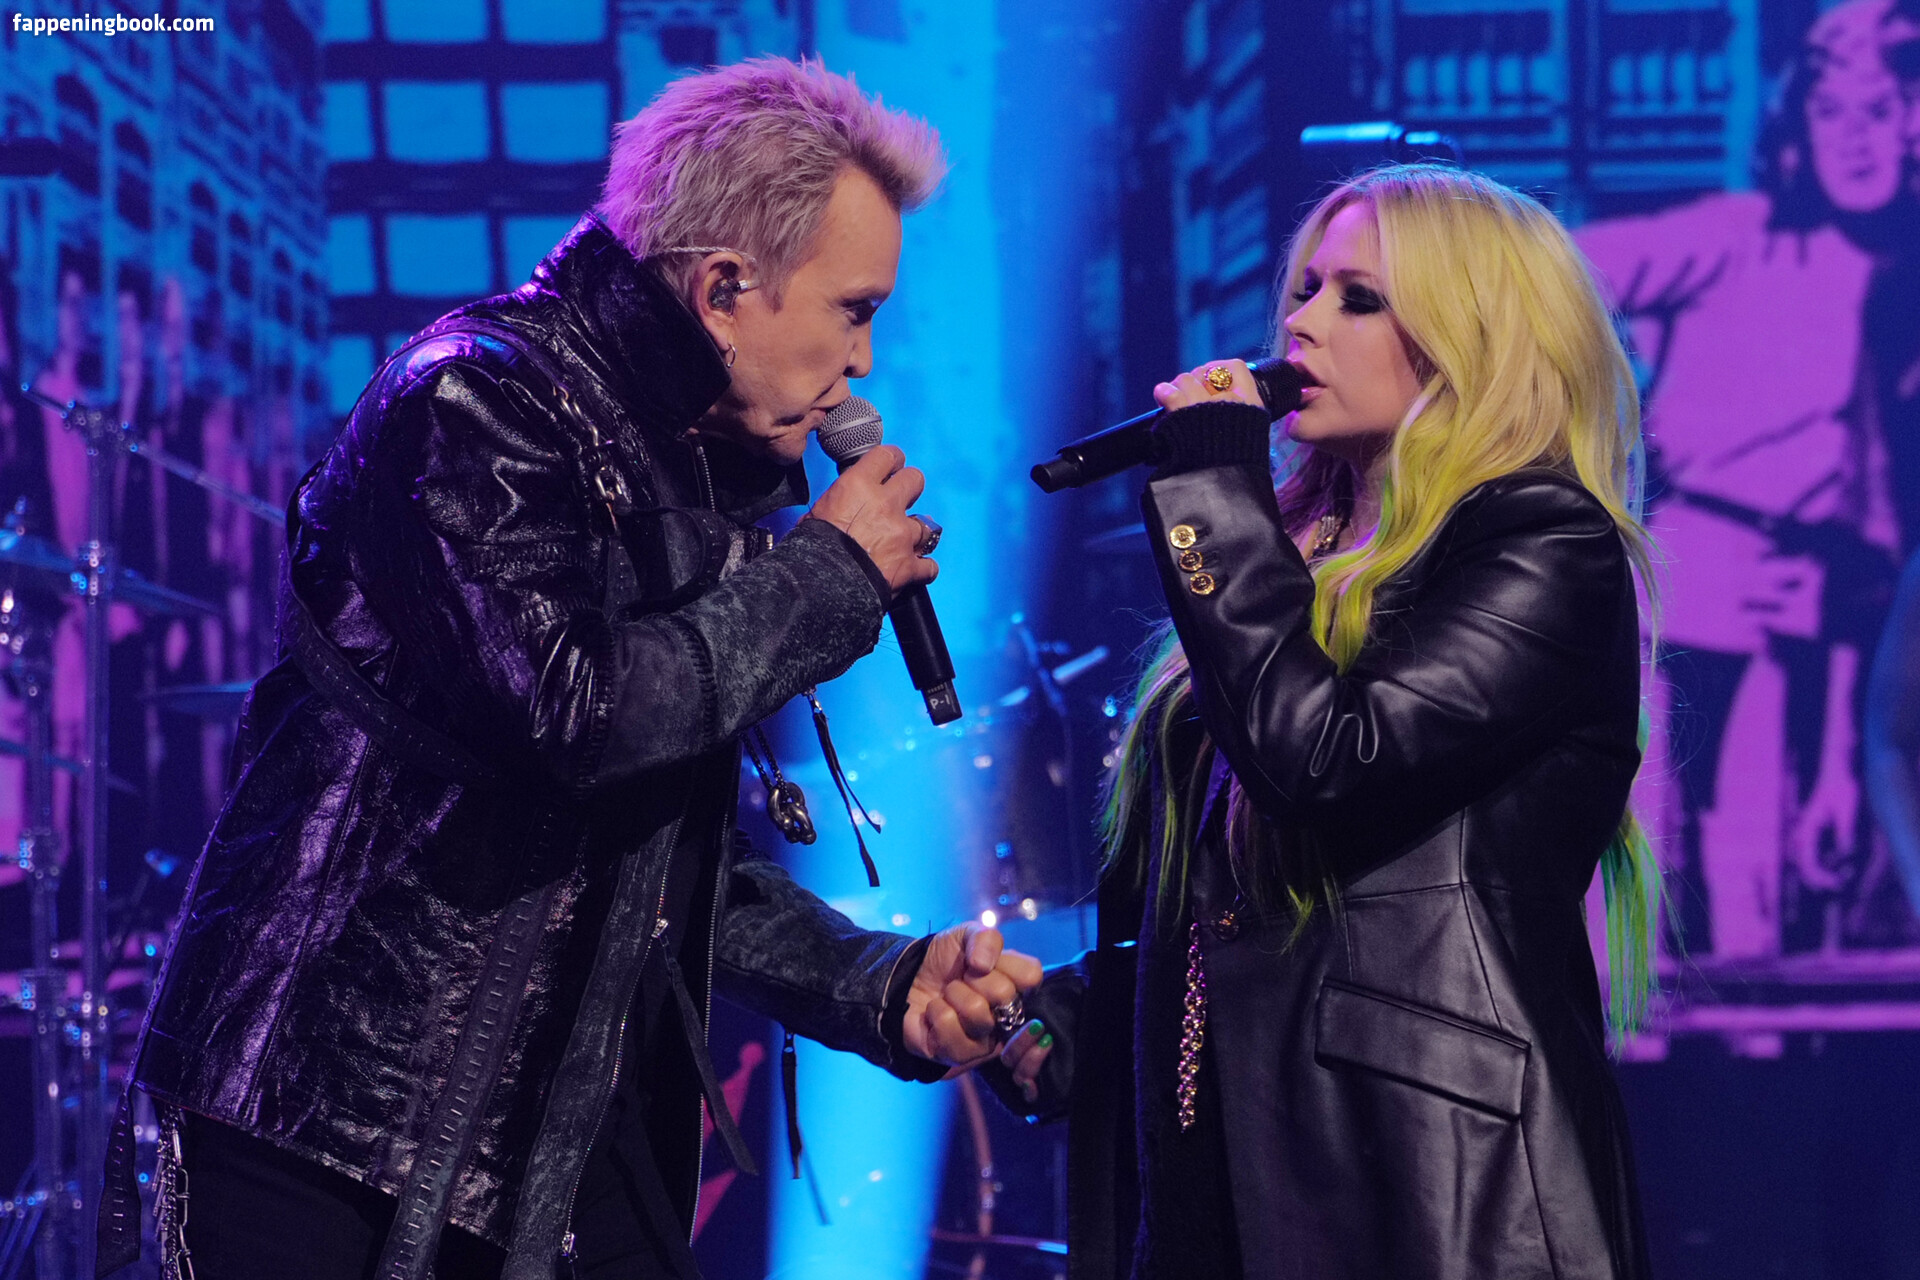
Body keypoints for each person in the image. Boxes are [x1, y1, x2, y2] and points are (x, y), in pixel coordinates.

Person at [98, 58, 1038, 1280]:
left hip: (551, 1146)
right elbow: (575, 715)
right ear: (724, 288)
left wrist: (875, 980)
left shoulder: (686, 468)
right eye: (854, 308)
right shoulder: (471, 400)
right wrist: (823, 579)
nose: (862, 360)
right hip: (334, 1134)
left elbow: (646, 862)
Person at [991, 165, 1659, 1279]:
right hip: (1233, 1176)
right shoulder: (1294, 562)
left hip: (1433, 1182)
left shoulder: (1545, 544)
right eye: (1304, 289)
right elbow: (1248, 895)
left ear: (1471, 343)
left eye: (1359, 298)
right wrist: (1093, 1013)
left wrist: (1214, 495)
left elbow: (1328, 760)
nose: (1300, 322)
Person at [1574, 0, 1915, 966]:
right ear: (1797, 122)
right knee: (1642, 860)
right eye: (1830, 111)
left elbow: (1870, 528)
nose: (1855, 138)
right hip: (1677, 591)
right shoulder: (1737, 234)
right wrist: (1618, 424)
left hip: (1802, 621)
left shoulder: (1895, 282)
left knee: (1754, 892)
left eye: (1878, 111)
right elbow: (1562, 274)